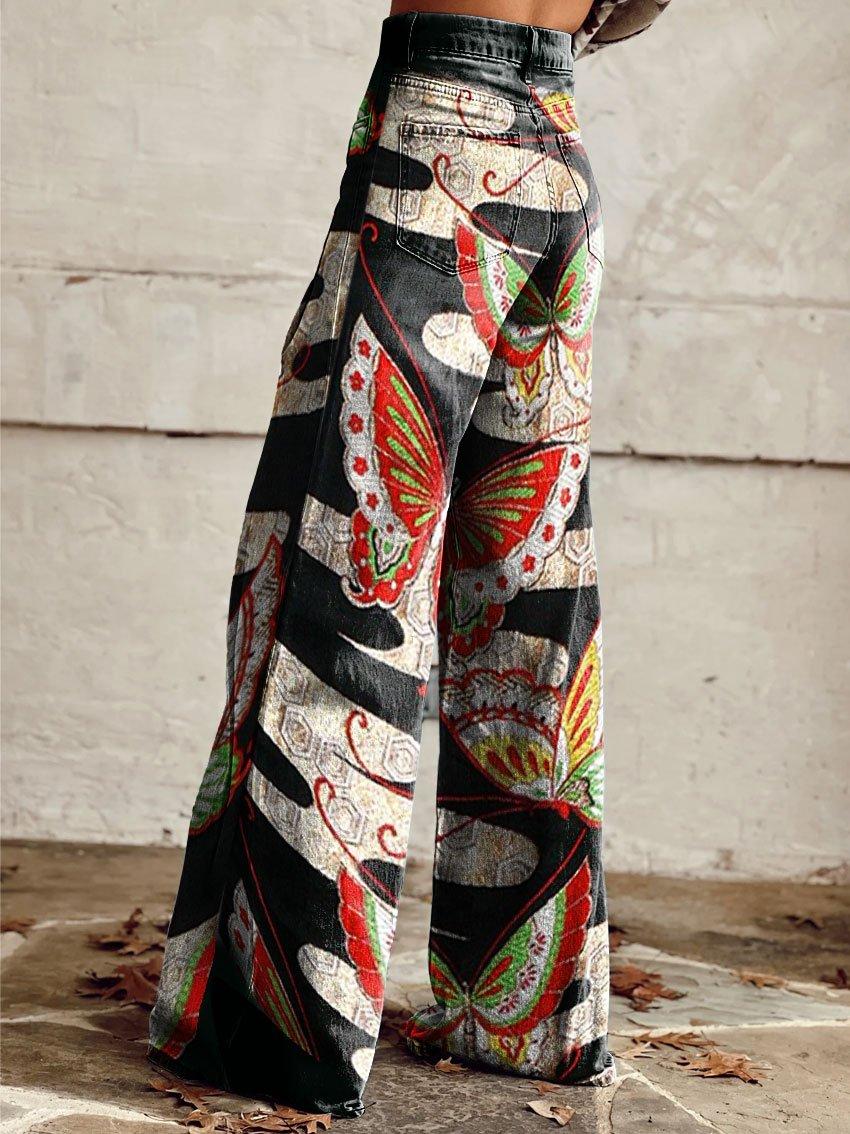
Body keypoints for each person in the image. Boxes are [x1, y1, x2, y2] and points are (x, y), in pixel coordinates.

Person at [149, 0, 672, 1119]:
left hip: (434, 146)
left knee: (341, 586)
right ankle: (527, 1022)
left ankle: (285, 1036)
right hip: (557, 145)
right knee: (528, 598)